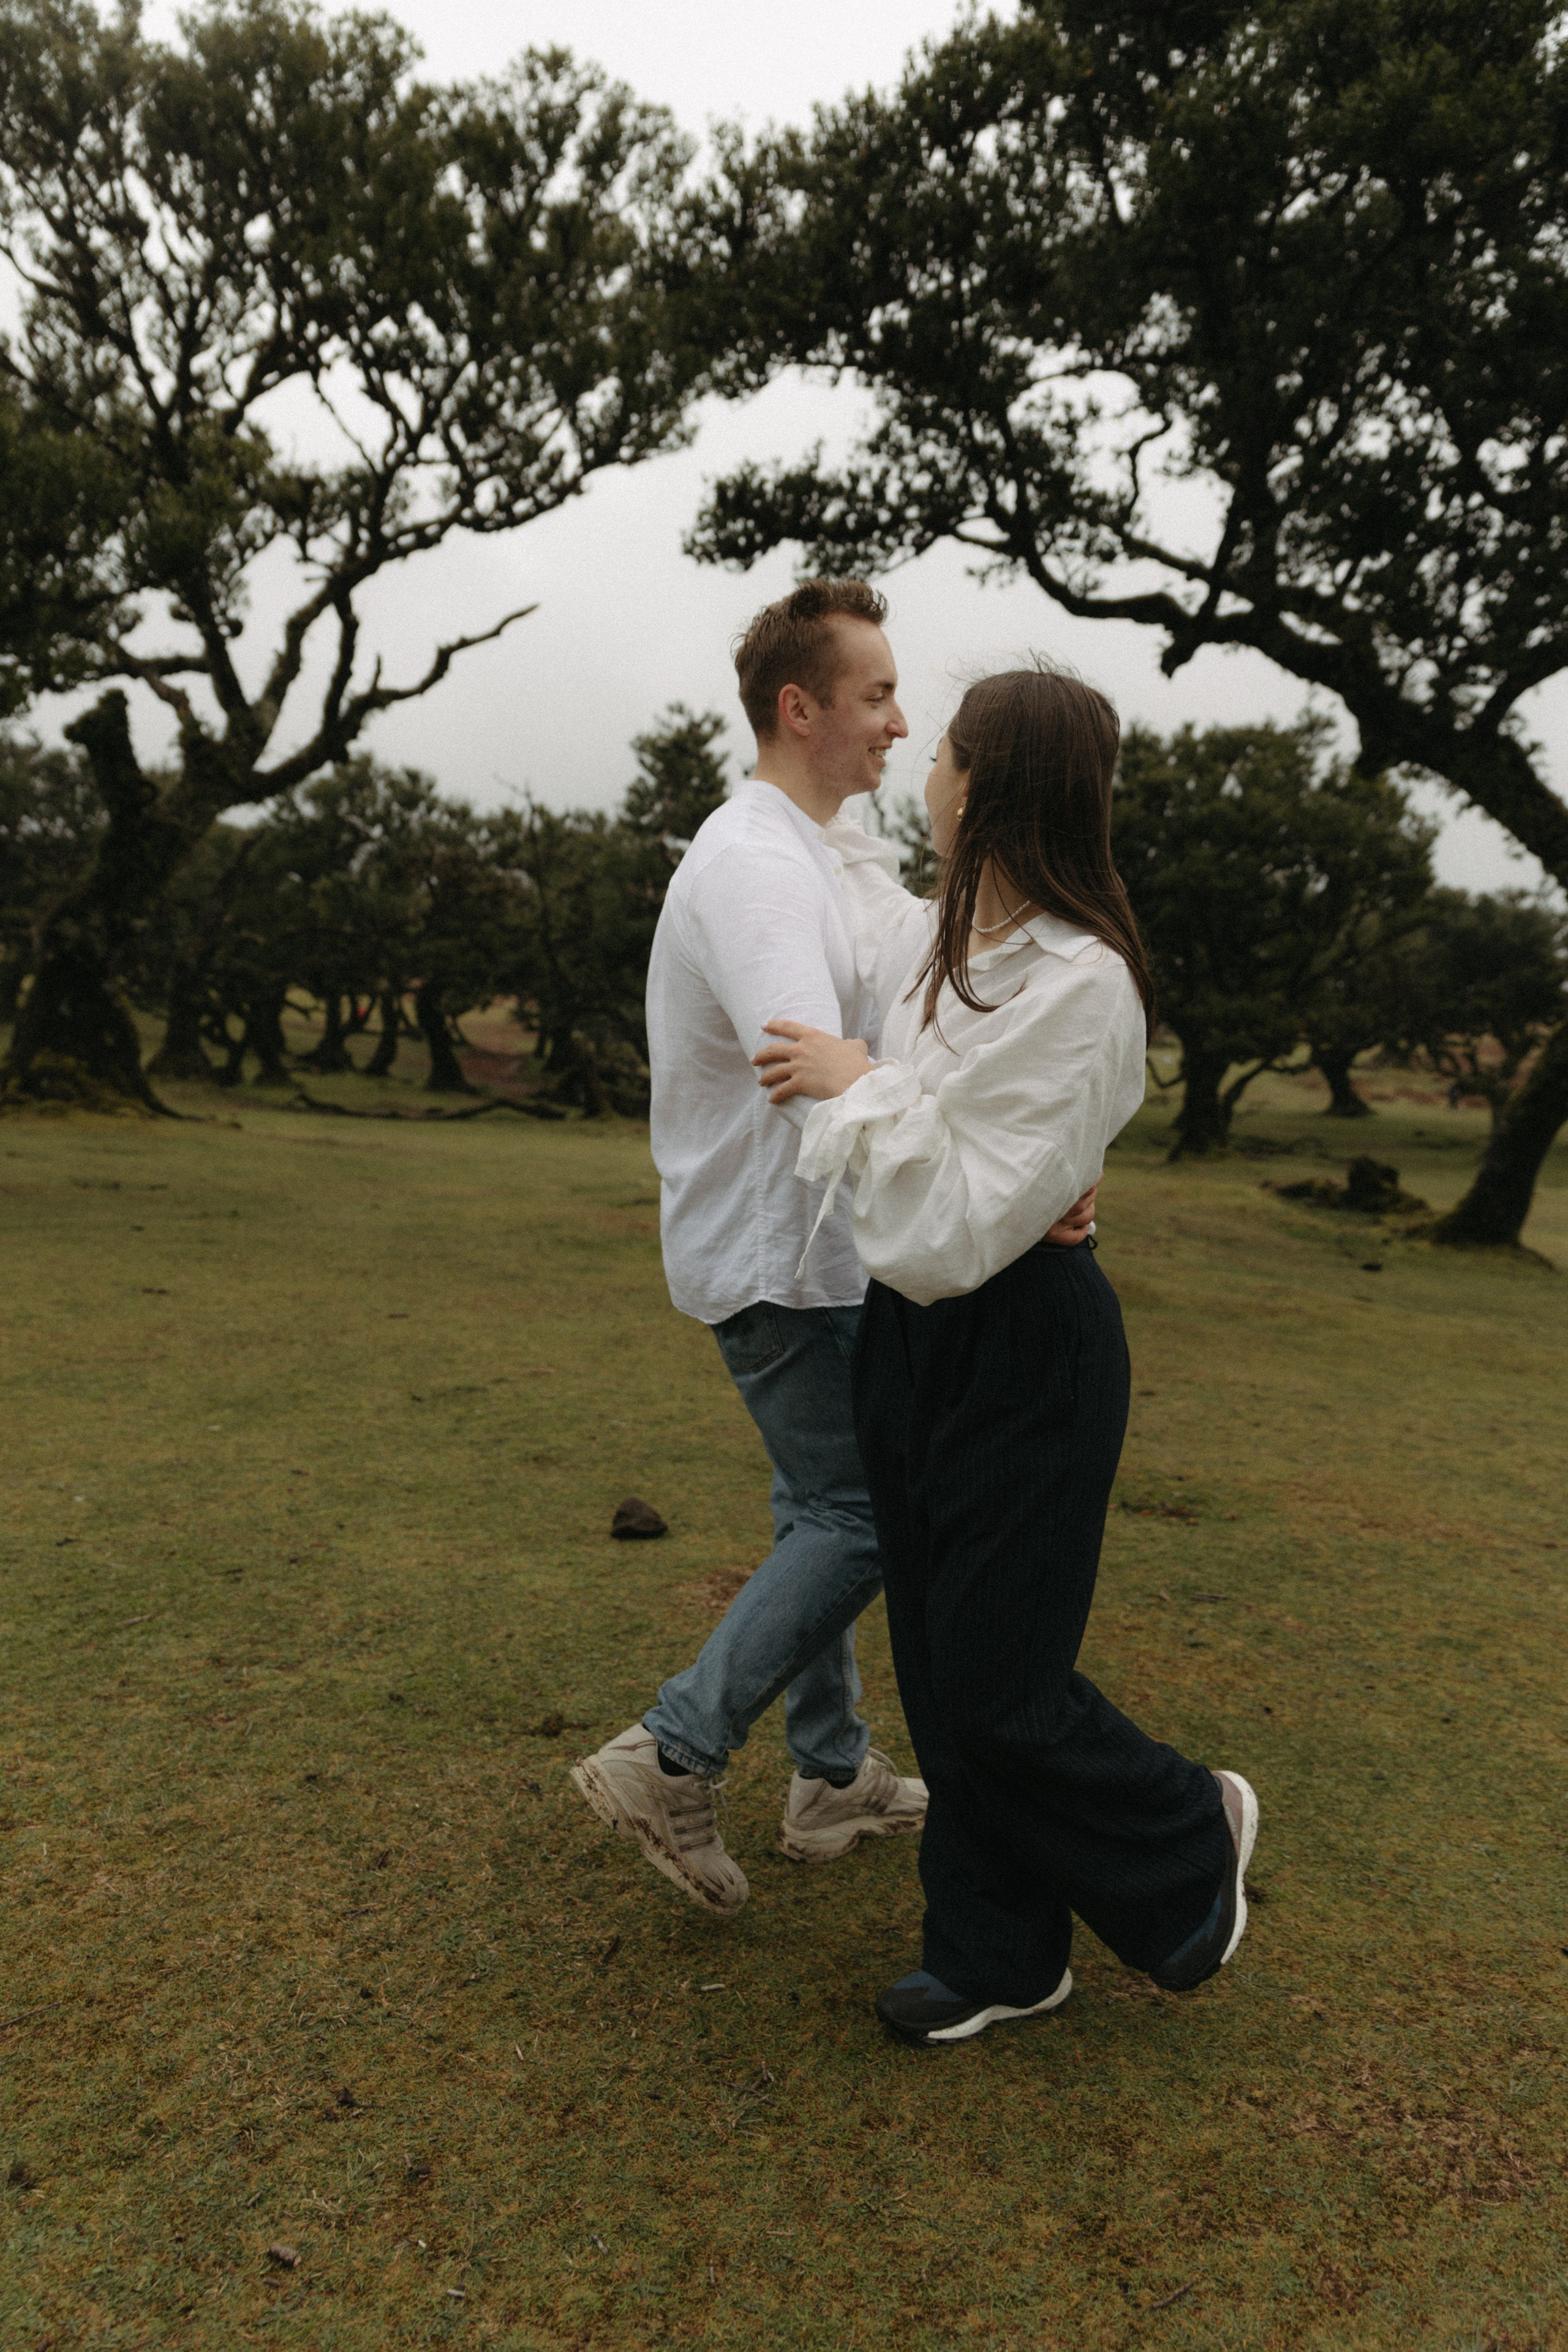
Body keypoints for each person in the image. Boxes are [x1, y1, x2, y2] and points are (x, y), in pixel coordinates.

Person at [570, 582, 1103, 1917]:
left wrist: (1026, 1158)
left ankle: (828, 1775)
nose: (901, 723)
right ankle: (673, 1752)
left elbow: (914, 1005)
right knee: (864, 1511)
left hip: (819, 1248)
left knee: (816, 1505)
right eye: (876, 696)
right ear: (798, 709)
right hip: (782, 1255)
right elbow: (816, 1081)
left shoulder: (825, 853)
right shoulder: (755, 869)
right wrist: (988, 1184)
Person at [753, 663, 1257, 2045]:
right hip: (911, 1338)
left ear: (984, 786)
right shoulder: (942, 941)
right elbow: (959, 1163)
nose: (920, 770)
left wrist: (861, 1083)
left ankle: (1186, 1826)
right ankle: (997, 1954)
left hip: (1025, 1342)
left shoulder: (1084, 982)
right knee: (935, 1664)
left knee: (996, 1679)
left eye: (942, 754)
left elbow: (958, 1220)